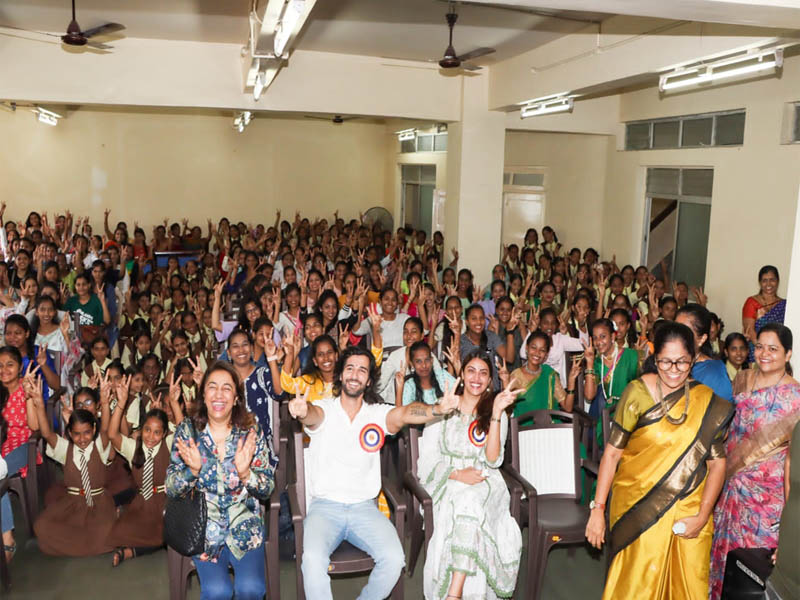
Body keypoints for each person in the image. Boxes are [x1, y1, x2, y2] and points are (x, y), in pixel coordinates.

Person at [287, 345, 460, 600]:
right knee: (312, 560)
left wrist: (436, 409)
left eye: (362, 370)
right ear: (340, 374)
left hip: (364, 509)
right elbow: (312, 416)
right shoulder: (325, 408)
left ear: (368, 381)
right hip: (325, 508)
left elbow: (403, 414)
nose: (355, 374)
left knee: (394, 559)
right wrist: (302, 411)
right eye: (349, 368)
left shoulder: (376, 414)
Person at [585, 321, 734, 600]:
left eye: (682, 362)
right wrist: (598, 509)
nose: (674, 371)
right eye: (665, 362)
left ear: (694, 359)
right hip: (637, 507)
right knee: (636, 587)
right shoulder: (637, 392)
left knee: (687, 586)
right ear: (655, 359)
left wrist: (703, 516)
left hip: (690, 508)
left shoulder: (706, 402)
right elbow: (613, 453)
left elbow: (717, 464)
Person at [166, 361, 276, 600]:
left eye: (227, 388)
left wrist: (247, 474)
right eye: (212, 387)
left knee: (251, 589)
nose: (219, 394)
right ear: (203, 394)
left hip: (245, 527)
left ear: (236, 397)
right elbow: (171, 488)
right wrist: (192, 472)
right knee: (218, 592)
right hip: (205, 529)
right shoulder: (188, 431)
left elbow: (267, 488)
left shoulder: (249, 431)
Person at [417, 351, 523, 599]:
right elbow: (427, 460)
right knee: (467, 503)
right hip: (447, 480)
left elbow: (493, 460)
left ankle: (453, 593)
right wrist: (455, 474)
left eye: (484, 373)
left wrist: (496, 413)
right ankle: (456, 592)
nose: (477, 378)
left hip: (485, 480)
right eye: (471, 371)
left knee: (471, 501)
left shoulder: (496, 411)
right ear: (462, 375)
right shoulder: (444, 406)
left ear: (490, 381)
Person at [709, 324, 800, 599]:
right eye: (759, 346)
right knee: (724, 557)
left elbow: (792, 462)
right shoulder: (742, 379)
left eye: (773, 349)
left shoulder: (796, 397)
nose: (764, 353)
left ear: (788, 354)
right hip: (730, 486)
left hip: (766, 500)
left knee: (753, 567)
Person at [31, 375, 116, 556]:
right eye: (76, 434)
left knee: (105, 530)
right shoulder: (65, 449)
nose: (82, 438)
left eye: (86, 433)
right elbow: (47, 434)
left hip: (98, 503)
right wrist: (39, 405)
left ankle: (81, 542)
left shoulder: (99, 446)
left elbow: (107, 428)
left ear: (93, 430)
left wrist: (105, 402)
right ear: (69, 433)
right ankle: (86, 542)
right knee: (41, 526)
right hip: (73, 503)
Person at [106, 372, 171, 566]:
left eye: (157, 432)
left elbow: (186, 430)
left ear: (165, 433)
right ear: (141, 430)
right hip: (142, 502)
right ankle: (148, 541)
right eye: (147, 430)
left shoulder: (168, 443)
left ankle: (132, 552)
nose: (151, 436)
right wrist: (121, 403)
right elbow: (112, 434)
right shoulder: (134, 447)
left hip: (164, 502)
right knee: (117, 534)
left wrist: (173, 406)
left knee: (167, 533)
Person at [0, 347, 40, 561]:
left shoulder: (26, 387)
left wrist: (27, 396)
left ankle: (8, 539)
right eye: (0, 365)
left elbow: (34, 426)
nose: (4, 369)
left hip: (22, 446)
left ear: (19, 367)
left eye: (9, 364)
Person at [508, 330, 577, 418]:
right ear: (526, 348)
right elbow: (507, 410)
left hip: (550, 426)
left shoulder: (550, 375)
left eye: (542, 350)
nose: (537, 353)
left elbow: (568, 408)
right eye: (533, 347)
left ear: (546, 355)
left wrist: (571, 382)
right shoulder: (516, 376)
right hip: (524, 429)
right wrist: (505, 382)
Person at [676, 304, 733, 401]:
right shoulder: (665, 363)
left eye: (684, 333)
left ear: (702, 339)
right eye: (675, 330)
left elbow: (722, 412)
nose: (676, 337)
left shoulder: (713, 373)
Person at [742, 265, 786, 361]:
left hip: (776, 354)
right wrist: (763, 351)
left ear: (777, 281)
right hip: (756, 353)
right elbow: (750, 331)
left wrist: (774, 352)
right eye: (764, 280)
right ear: (760, 282)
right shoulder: (752, 302)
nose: (768, 284)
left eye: (772, 280)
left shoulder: (784, 305)